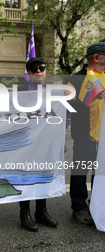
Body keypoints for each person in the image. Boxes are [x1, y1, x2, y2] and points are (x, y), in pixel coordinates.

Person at [66, 42, 105, 225]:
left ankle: (96, 206)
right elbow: (67, 106)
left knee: (101, 174)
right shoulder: (76, 79)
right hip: (84, 136)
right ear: (97, 57)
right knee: (80, 172)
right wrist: (88, 99)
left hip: (103, 138)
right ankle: (79, 207)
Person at [19, 57, 59, 232]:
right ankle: (24, 213)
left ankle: (41, 211)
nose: (38, 72)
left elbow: (58, 117)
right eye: (34, 69)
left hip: (46, 142)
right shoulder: (20, 92)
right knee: (26, 176)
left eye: (41, 68)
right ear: (28, 73)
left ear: (45, 71)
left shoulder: (53, 92)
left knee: (43, 175)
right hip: (26, 142)